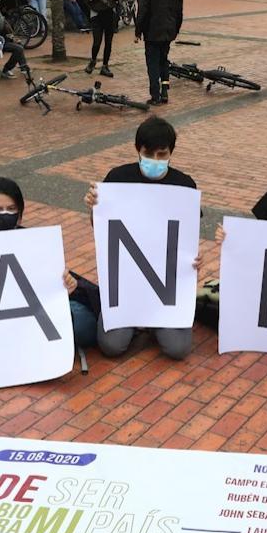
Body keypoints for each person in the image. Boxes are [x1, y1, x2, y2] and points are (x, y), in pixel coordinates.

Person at [82, 117, 198, 360]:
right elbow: (103, 230)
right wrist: (94, 208)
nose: (155, 160)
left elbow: (188, 237)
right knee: (111, 346)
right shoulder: (117, 179)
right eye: (149, 153)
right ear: (138, 150)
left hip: (165, 283)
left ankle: (154, 321)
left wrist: (193, 260)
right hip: (126, 281)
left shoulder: (184, 186)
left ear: (170, 153)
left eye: (162, 154)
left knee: (178, 349)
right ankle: (135, 321)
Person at [0, 179, 102, 353]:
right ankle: (4, 356)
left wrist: (66, 287)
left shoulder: (33, 241)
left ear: (20, 212)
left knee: (81, 325)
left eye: (11, 209)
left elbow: (51, 289)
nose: (4, 214)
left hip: (30, 315)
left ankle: (7, 352)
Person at [136, 0, 183, 106]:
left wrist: (138, 31)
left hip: (152, 32)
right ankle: (164, 92)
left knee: (153, 63)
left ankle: (155, 95)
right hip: (169, 31)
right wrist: (176, 29)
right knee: (164, 60)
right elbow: (179, 10)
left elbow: (142, 10)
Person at [84, 0, 125, 77]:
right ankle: (92, 60)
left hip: (109, 13)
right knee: (97, 41)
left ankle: (105, 66)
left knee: (108, 41)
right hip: (96, 14)